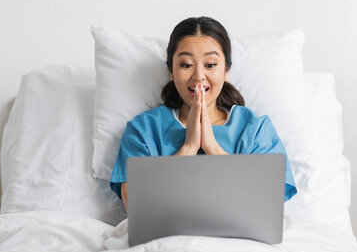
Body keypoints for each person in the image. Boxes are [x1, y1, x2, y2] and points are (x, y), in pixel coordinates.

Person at [110, 17, 297, 211]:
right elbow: (134, 205)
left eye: (210, 65)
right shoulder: (143, 130)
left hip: (238, 240)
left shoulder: (255, 129)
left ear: (226, 71)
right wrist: (189, 148)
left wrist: (213, 148)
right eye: (186, 64)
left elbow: (269, 201)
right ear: (171, 71)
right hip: (167, 240)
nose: (199, 76)